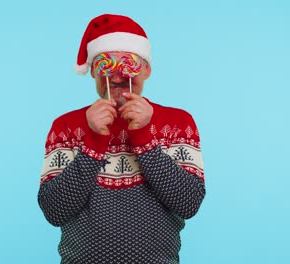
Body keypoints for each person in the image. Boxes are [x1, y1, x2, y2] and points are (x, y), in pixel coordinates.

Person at [38, 14, 206, 263]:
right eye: (107, 66)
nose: (117, 77)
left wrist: (143, 136)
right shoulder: (65, 126)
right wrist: (94, 141)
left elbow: (188, 203)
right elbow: (55, 210)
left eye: (128, 65)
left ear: (147, 69)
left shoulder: (179, 123)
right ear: (94, 71)